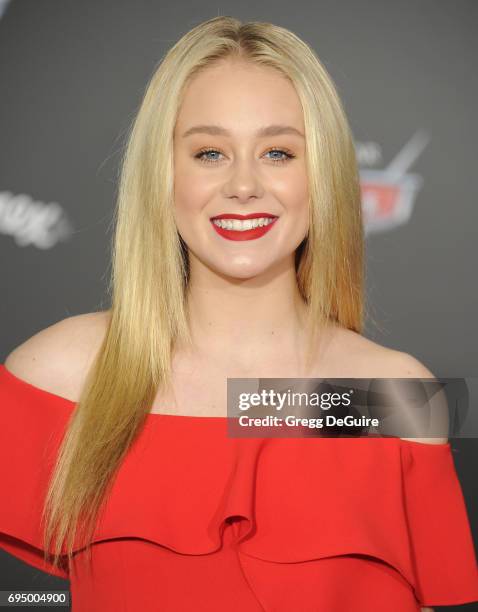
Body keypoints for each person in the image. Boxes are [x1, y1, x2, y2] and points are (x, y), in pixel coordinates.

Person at [1, 15, 477, 612]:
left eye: (278, 152)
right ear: (163, 173)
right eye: (210, 153)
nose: (244, 184)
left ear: (322, 174)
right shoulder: (62, 374)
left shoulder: (395, 395)